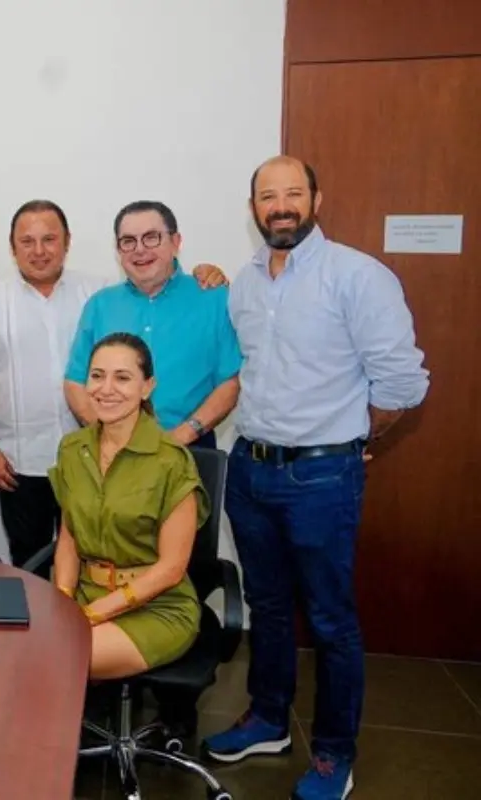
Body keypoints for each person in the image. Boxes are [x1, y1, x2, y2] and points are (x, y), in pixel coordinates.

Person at [201, 156, 430, 800]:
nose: (280, 206)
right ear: (253, 207)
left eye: (292, 194)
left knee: (330, 621)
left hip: (323, 478)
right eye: (268, 196)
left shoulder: (358, 277)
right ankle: (269, 719)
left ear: (316, 199)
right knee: (268, 609)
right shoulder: (243, 283)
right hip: (250, 469)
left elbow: (403, 384)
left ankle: (334, 755)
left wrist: (355, 440)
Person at [0, 200, 228, 575]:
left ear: (67, 242)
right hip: (27, 461)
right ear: (12, 246)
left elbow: (229, 380)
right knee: (31, 565)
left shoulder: (96, 293)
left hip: (119, 461)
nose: (39, 250)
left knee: (116, 559)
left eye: (49, 239)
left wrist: (208, 272)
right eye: (28, 241)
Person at [48, 332, 209, 680]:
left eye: (122, 378)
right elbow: (69, 538)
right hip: (85, 594)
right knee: (14, 650)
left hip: (155, 606)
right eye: (97, 375)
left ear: (147, 387)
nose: (106, 389)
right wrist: (63, 600)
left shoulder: (171, 461)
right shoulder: (73, 450)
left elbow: (171, 569)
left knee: (56, 661)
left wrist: (91, 615)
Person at [65, 201, 241, 448]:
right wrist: (108, 438)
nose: (139, 250)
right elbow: (75, 381)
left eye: (151, 238)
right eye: (128, 241)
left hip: (190, 448)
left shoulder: (213, 299)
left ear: (176, 242)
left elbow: (230, 382)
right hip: (112, 453)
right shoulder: (100, 305)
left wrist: (180, 437)